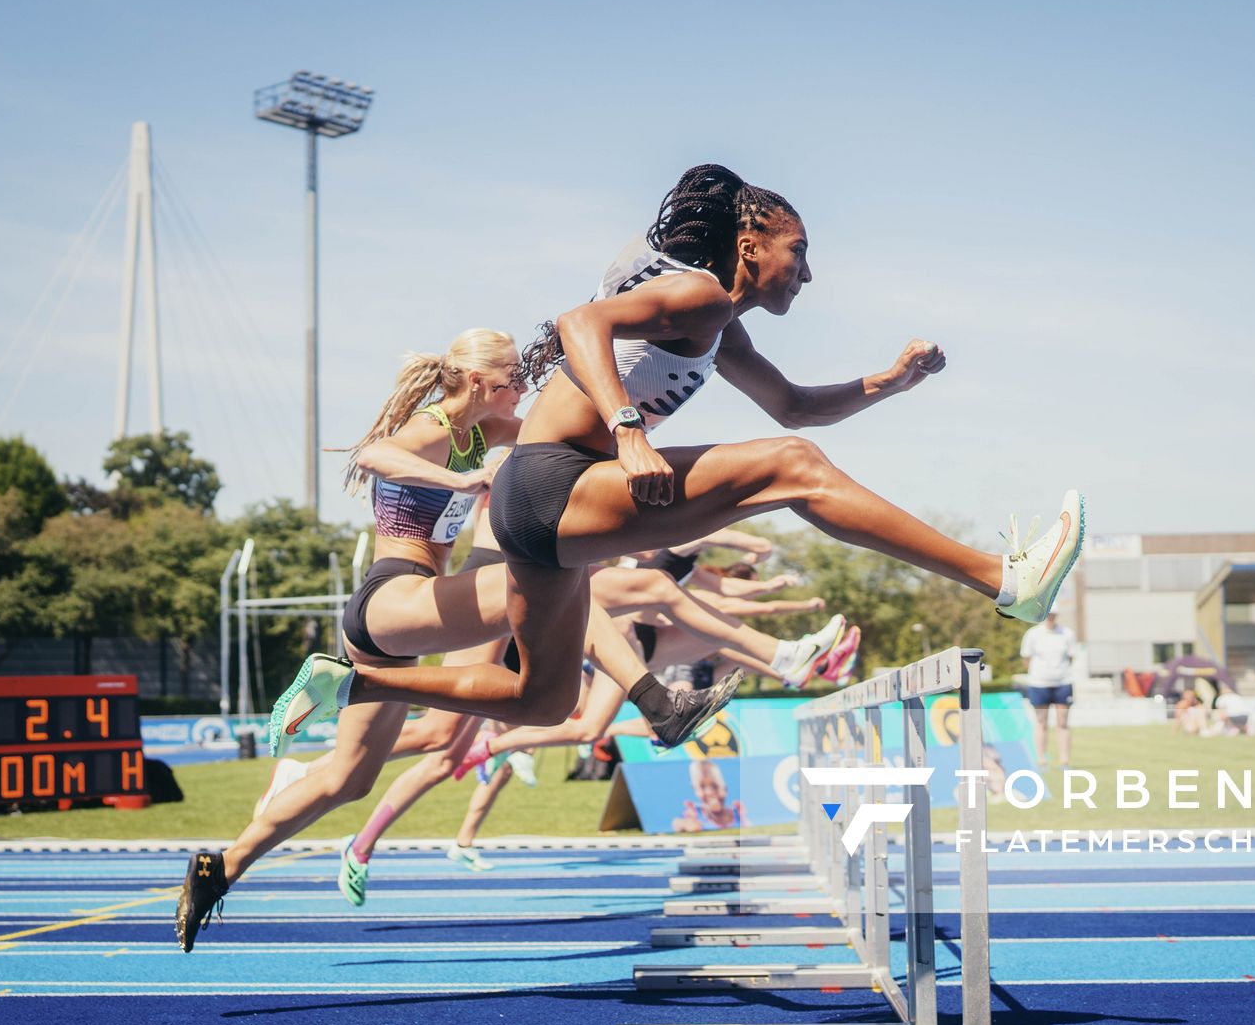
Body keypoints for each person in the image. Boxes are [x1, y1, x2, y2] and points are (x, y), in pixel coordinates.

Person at [270, 163, 1085, 763]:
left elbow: (797, 403)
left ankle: (347, 683)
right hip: (558, 482)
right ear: (751, 239)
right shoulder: (696, 295)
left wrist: (892, 381)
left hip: (534, 505)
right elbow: (580, 319)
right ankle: (1003, 580)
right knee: (794, 466)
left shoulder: (718, 323)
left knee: (542, 696)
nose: (808, 271)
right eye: (798, 250)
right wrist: (628, 431)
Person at [177, 331, 745, 950]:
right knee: (559, 576)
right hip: (390, 597)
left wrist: (635, 417)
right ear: (480, 384)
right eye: (513, 380)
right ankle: (656, 703)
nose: (523, 388)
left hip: (408, 619)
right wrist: (463, 481)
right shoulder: (434, 428)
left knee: (349, 779)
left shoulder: (485, 431)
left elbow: (561, 438)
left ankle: (222, 867)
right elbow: (376, 457)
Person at [1018, 612, 1076, 766]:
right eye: (1049, 615)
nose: (1051, 618)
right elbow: (1026, 658)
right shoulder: (1032, 634)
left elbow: (1071, 657)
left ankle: (1065, 759)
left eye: (1054, 615)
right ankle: (1041, 758)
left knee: (1062, 722)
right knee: (1041, 721)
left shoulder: (1067, 634)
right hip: (1039, 683)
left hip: (1062, 682)